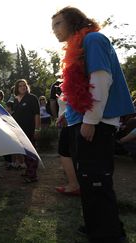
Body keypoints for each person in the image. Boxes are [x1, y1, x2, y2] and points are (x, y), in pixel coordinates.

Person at [52, 7, 134, 242]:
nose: (54, 31)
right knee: (87, 180)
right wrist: (67, 113)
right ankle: (96, 226)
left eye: (58, 24)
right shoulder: (78, 47)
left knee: (96, 181)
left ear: (73, 22)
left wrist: (89, 121)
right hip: (84, 121)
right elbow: (77, 87)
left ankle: (108, 235)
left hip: (96, 124)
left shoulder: (94, 40)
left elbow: (100, 79)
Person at [11, 79, 41, 183]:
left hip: (30, 129)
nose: (23, 87)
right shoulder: (15, 99)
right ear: (17, 88)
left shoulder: (32, 98)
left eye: (24, 85)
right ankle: (28, 171)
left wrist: (37, 129)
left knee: (31, 152)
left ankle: (33, 176)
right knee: (25, 152)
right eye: (20, 86)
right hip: (19, 131)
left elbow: (37, 114)